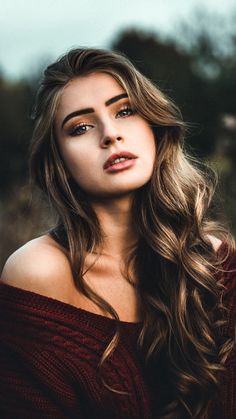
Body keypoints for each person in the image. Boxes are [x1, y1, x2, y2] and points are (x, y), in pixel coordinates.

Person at [0, 47, 235, 419]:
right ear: (58, 159)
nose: (110, 135)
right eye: (80, 127)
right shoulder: (37, 274)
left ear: (154, 127)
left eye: (125, 111)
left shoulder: (214, 263)